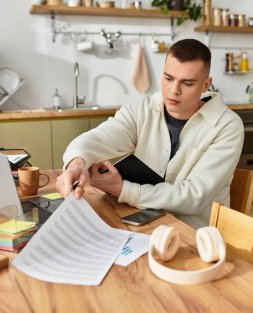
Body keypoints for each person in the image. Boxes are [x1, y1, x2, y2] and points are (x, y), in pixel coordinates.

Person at [56, 39, 244, 229]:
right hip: (142, 221)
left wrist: (123, 189)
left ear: (206, 85)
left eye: (187, 83)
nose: (173, 90)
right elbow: (99, 138)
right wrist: (76, 163)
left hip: (194, 235)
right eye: (168, 78)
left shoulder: (227, 126)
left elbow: (193, 197)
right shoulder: (142, 109)